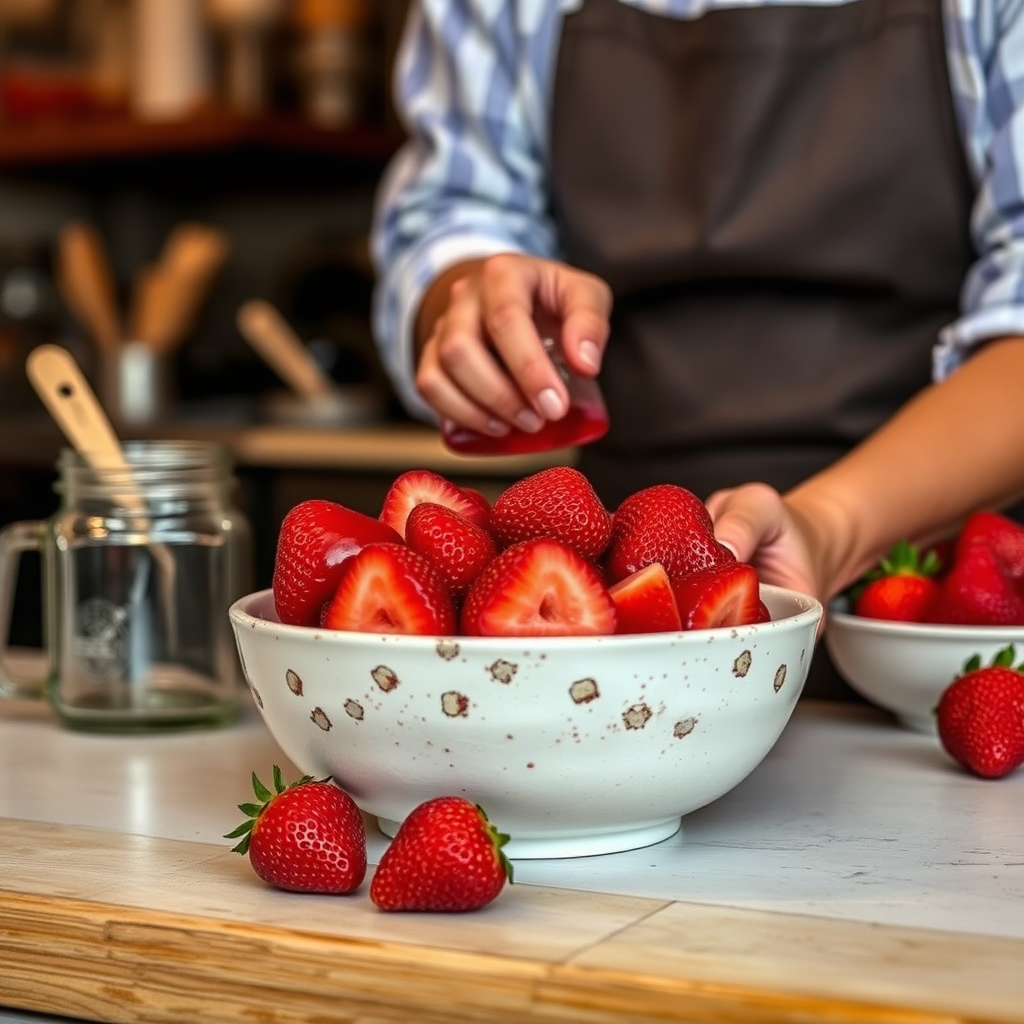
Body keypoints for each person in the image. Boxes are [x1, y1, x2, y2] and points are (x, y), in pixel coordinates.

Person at [370, 0, 1024, 698]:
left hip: (935, 625)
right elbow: (453, 214)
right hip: (616, 631)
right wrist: (472, 299)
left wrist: (829, 526)